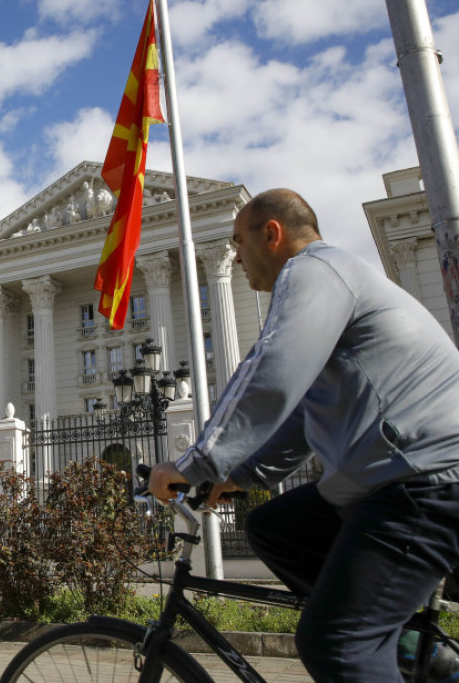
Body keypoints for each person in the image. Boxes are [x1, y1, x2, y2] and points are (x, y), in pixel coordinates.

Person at [148, 189, 459, 683]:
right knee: (276, 528)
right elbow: (299, 415)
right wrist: (241, 473)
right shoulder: (327, 282)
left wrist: (196, 463)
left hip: (425, 478)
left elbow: (273, 372)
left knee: (336, 643)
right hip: (391, 477)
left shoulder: (315, 270)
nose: (234, 258)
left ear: (272, 234)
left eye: (237, 243)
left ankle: (377, 642)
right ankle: (408, 643)